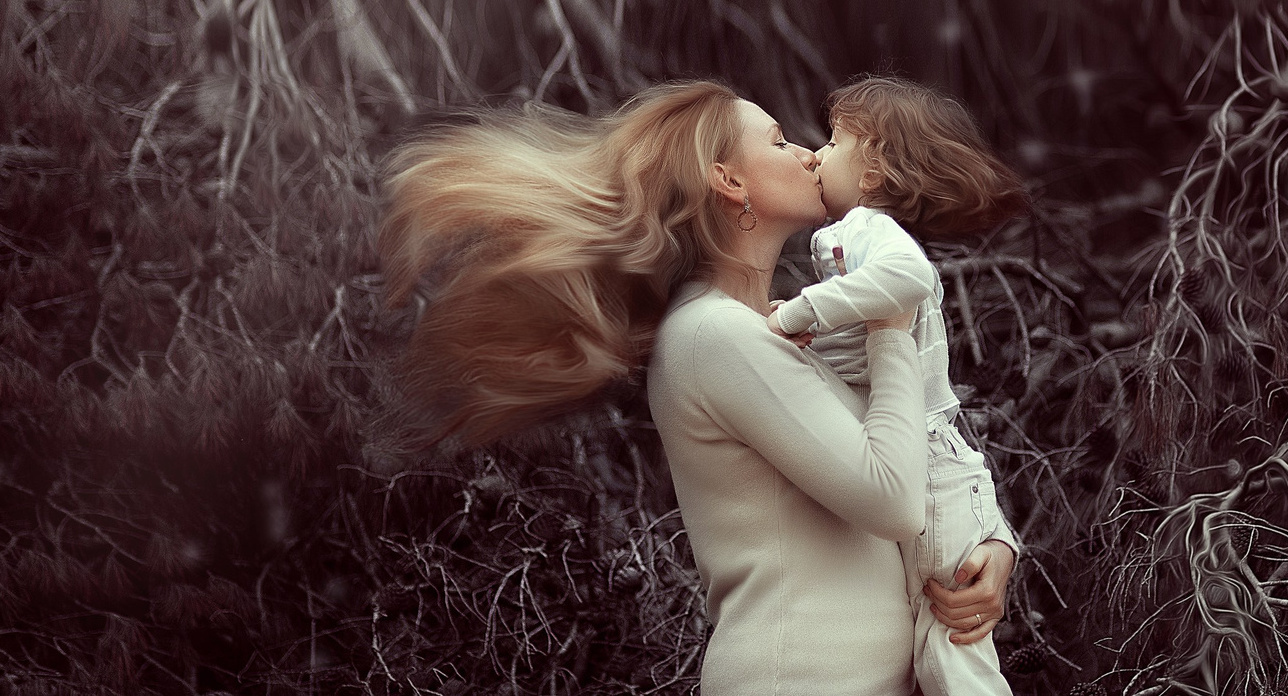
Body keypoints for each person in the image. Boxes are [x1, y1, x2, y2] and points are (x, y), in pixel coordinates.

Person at [379, 79, 1014, 696]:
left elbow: (913, 454)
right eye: (777, 140)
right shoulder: (714, 336)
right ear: (729, 180)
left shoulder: (783, 335)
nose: (805, 152)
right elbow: (892, 500)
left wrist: (989, 543)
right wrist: (892, 326)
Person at [767, 77, 1031, 696]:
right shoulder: (849, 241)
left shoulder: (864, 229)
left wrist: (797, 315)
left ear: (875, 172)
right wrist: (806, 334)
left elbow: (907, 280)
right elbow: (873, 349)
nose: (815, 155)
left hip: (935, 470)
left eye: (833, 142)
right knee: (940, 659)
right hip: (939, 470)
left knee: (950, 660)